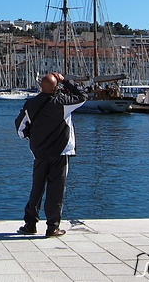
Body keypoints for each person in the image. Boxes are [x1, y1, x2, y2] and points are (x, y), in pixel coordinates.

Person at [15, 72, 86, 237]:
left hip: (39, 152)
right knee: (56, 190)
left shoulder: (31, 104)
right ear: (56, 87)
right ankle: (52, 227)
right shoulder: (62, 103)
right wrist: (67, 81)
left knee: (37, 188)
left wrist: (31, 137)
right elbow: (82, 96)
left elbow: (20, 128)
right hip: (60, 152)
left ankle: (30, 224)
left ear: (41, 86)